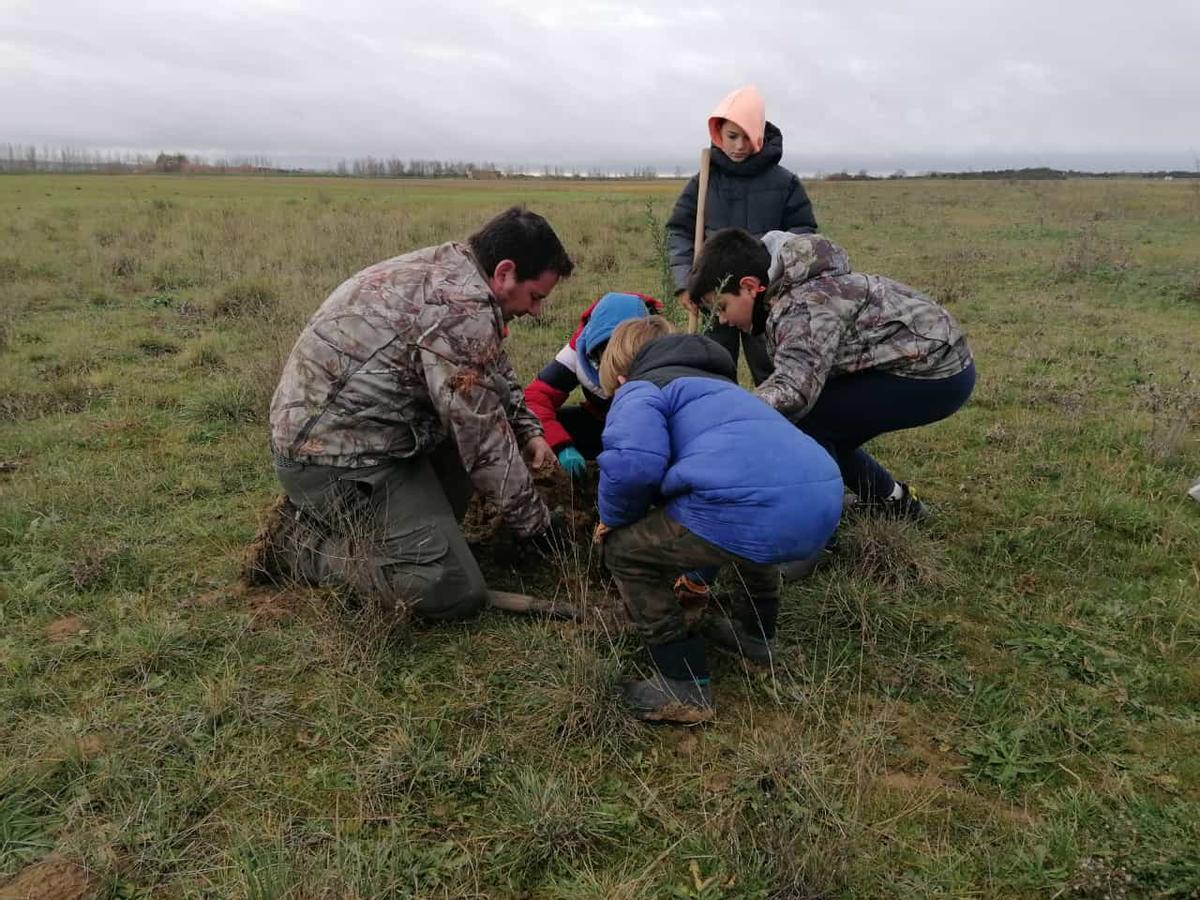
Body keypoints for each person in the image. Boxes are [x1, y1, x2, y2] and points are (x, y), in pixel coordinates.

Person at [260, 206, 574, 621]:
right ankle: (303, 547)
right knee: (451, 586)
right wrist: (540, 530)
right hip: (332, 461)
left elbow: (492, 370)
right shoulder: (459, 310)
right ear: (505, 272)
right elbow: (484, 445)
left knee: (452, 501)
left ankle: (385, 532)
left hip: (373, 434)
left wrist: (529, 430)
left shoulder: (458, 271)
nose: (536, 311)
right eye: (535, 297)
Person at [595, 318, 843, 723]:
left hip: (747, 505)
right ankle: (756, 638)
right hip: (822, 494)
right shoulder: (724, 389)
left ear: (621, 376)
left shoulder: (639, 389)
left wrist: (613, 519)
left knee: (625, 552)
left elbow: (633, 465)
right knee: (749, 533)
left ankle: (683, 682)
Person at [688, 229, 976, 519]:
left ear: (750, 286)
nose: (722, 320)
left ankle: (812, 530)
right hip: (929, 354)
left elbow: (794, 390)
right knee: (828, 425)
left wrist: (727, 415)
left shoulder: (802, 306)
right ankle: (894, 502)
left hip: (935, 371)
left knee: (809, 422)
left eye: (722, 307)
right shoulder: (789, 279)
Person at [666, 85, 818, 385]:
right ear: (718, 134)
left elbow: (804, 236)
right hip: (714, 295)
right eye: (731, 136)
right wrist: (686, 283)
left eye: (746, 136)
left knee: (773, 370)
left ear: (759, 134)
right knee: (713, 371)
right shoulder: (704, 181)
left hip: (764, 299)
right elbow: (679, 231)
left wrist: (777, 279)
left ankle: (779, 425)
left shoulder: (784, 182)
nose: (738, 145)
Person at [524, 291, 662, 478]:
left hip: (649, 436)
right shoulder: (578, 351)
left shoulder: (661, 356)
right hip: (602, 425)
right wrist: (562, 445)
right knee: (534, 427)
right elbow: (536, 399)